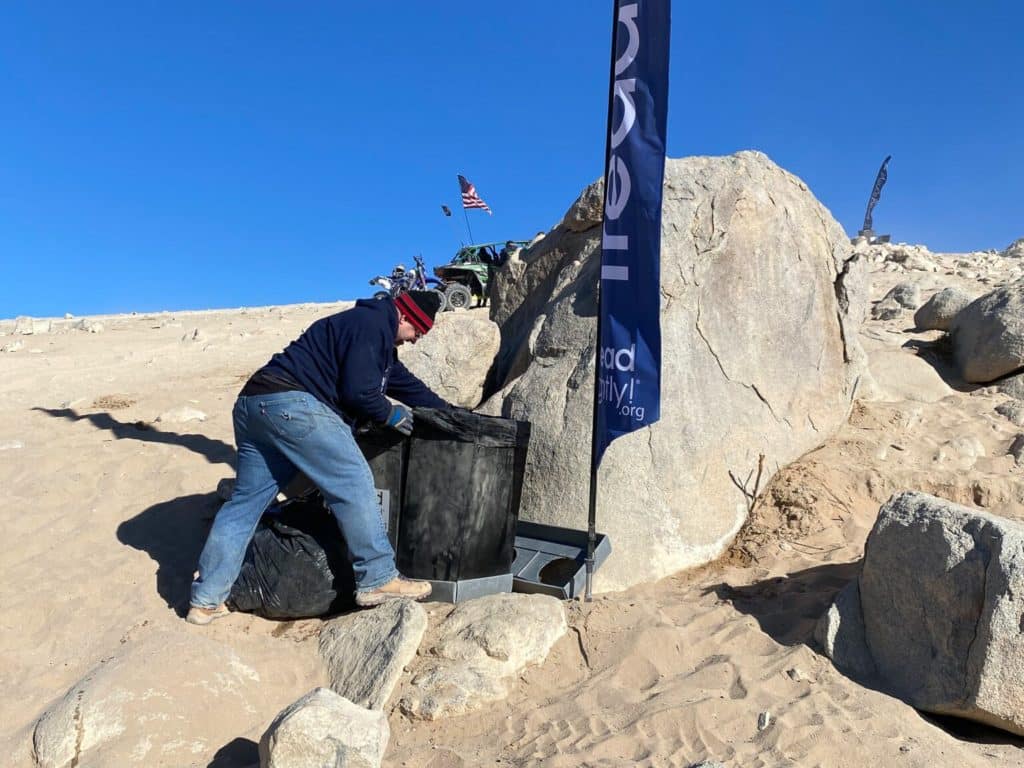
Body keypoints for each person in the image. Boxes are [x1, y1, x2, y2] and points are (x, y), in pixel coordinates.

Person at [187, 290, 448, 625]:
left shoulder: (372, 339)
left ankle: (206, 599)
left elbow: (409, 386)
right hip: (292, 404)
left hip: (253, 405)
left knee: (245, 504)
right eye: (418, 332)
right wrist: (389, 413)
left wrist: (450, 412)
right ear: (404, 316)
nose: (415, 341)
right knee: (352, 480)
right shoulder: (371, 324)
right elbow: (359, 392)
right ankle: (379, 578)